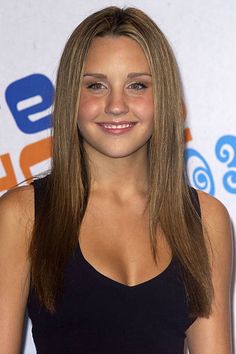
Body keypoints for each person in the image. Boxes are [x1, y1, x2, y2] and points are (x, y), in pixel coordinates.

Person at [0, 6, 233, 354]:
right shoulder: (23, 216)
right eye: (96, 85)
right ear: (70, 98)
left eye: (137, 85)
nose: (116, 105)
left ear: (164, 97)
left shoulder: (205, 220)